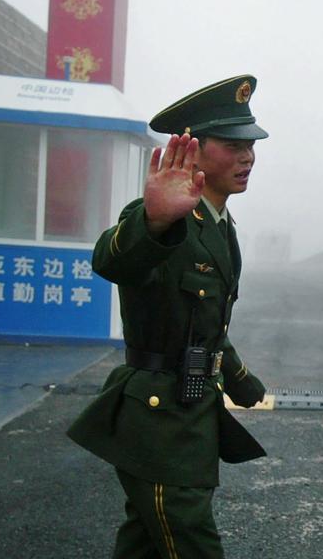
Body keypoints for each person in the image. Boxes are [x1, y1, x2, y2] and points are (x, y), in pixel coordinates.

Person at [68, 74, 271, 558]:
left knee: (145, 543)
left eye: (251, 144)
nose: (247, 156)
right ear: (193, 151)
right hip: (158, 421)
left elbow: (204, 326)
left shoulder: (220, 225)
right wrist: (155, 220)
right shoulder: (165, 216)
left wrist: (242, 381)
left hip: (190, 413)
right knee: (191, 544)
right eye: (232, 143)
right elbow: (110, 261)